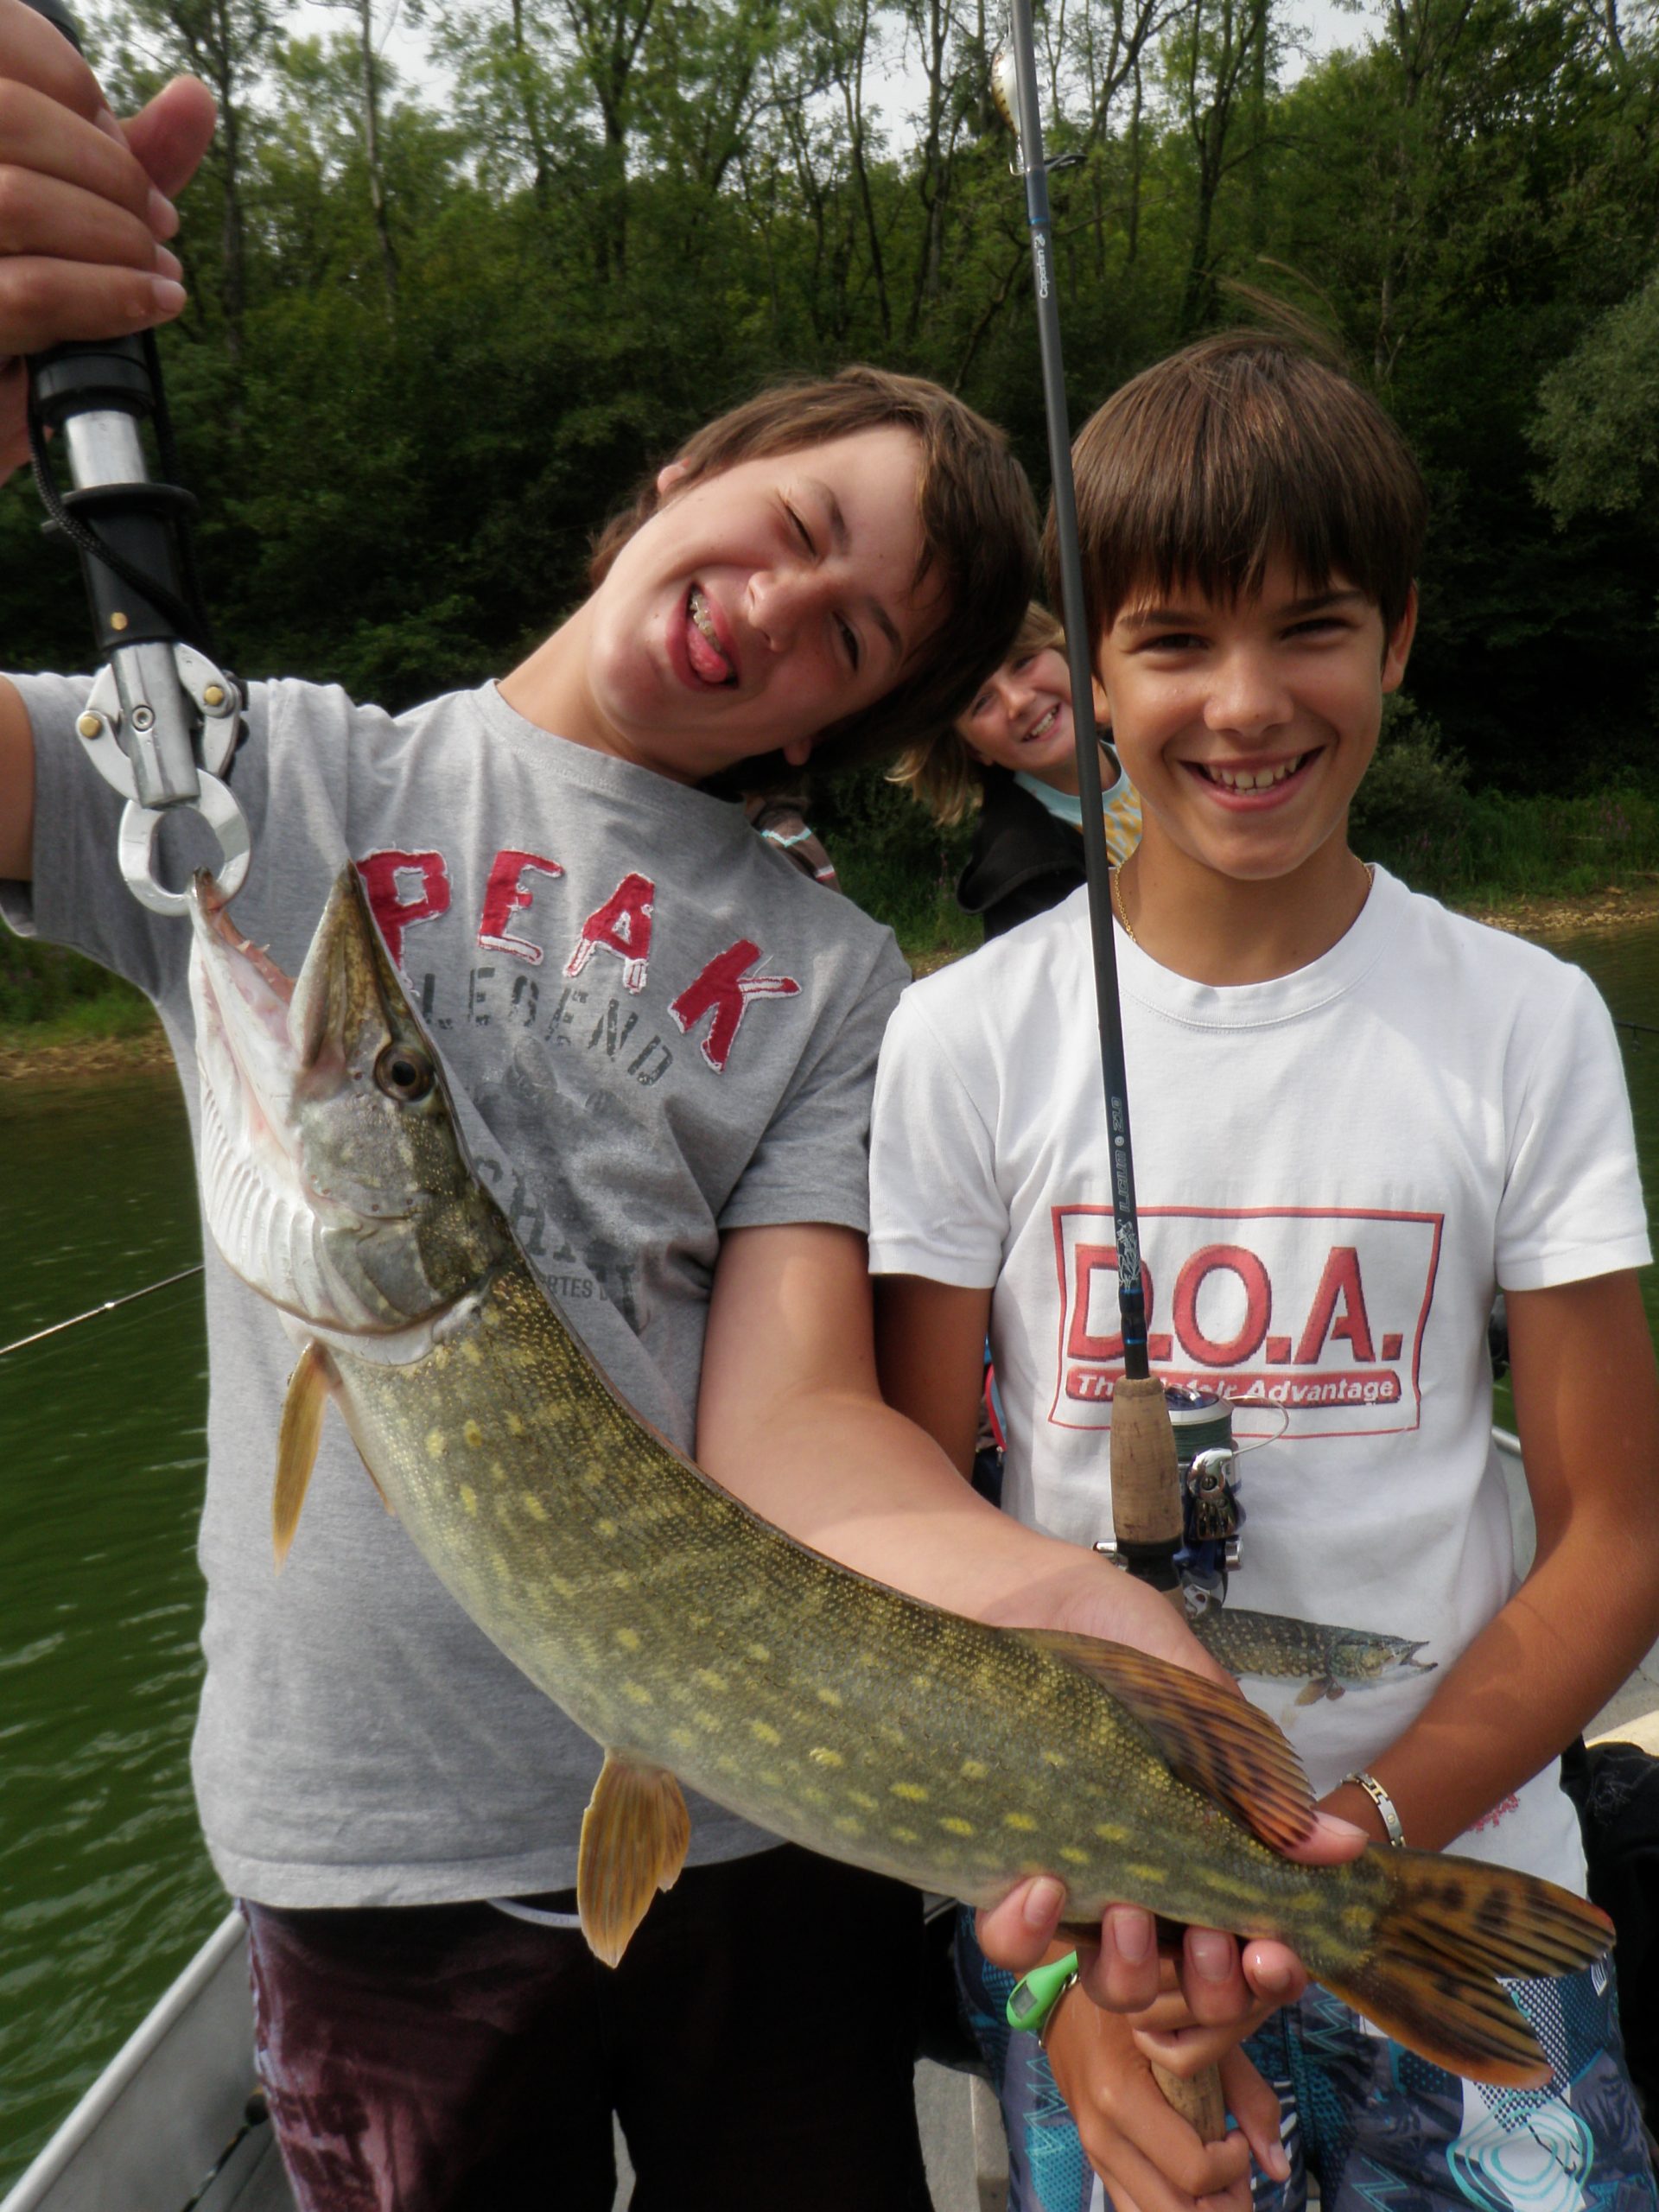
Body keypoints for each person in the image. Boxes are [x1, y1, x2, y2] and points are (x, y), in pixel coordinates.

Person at [0, 19, 1356, 2206]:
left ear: (834, 733)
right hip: (372, 1851)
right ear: (679, 477)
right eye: (800, 524)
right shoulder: (264, 776)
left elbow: (799, 1423)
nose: (790, 607)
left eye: (857, 636)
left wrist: (1047, 1612)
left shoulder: (828, 978)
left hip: (760, 1831)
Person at [869, 328, 1659, 2212]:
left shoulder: (1524, 1020)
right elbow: (896, 1537)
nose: (1246, 703)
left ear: (1397, 635)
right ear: (1088, 673)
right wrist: (1057, 1961)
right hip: (1113, 1940)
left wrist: (1357, 1833)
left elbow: (1617, 1529)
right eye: (1172, 641)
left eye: (1309, 627)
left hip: (1463, 1876)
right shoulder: (960, 1038)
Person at [889, 601, 1141, 938]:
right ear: (974, 750)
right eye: (981, 702)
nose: (1017, 701)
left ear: (1063, 652)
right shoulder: (1026, 886)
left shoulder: (1162, 750)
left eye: (1023, 661)